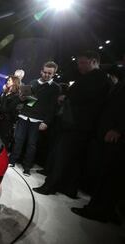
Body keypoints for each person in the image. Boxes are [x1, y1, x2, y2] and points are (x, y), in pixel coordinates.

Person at [33, 51, 111, 198]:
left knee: (61, 157)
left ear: (93, 61)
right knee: (75, 160)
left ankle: (49, 186)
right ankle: (69, 189)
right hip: (83, 126)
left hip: (75, 124)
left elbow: (82, 98)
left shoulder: (96, 78)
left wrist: (67, 96)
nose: (79, 66)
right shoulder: (100, 78)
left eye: (82, 63)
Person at [71, 66, 125, 224]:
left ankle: (98, 210)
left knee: (109, 176)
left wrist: (118, 129)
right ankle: (105, 209)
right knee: (108, 175)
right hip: (109, 133)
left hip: (116, 137)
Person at [8, 61, 60, 176]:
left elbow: (53, 108)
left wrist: (46, 122)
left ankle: (27, 167)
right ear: (41, 71)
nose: (46, 75)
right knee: (18, 140)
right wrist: (22, 98)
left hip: (38, 120)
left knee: (32, 145)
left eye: (49, 73)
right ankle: (12, 160)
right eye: (45, 72)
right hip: (24, 115)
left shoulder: (56, 88)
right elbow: (28, 100)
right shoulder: (33, 82)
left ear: (54, 74)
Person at [0, 75, 21, 150]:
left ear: (14, 83)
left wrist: (0, 116)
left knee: (1, 143)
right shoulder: (5, 92)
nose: (7, 82)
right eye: (7, 80)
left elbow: (10, 111)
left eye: (9, 80)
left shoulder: (16, 96)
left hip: (6, 123)